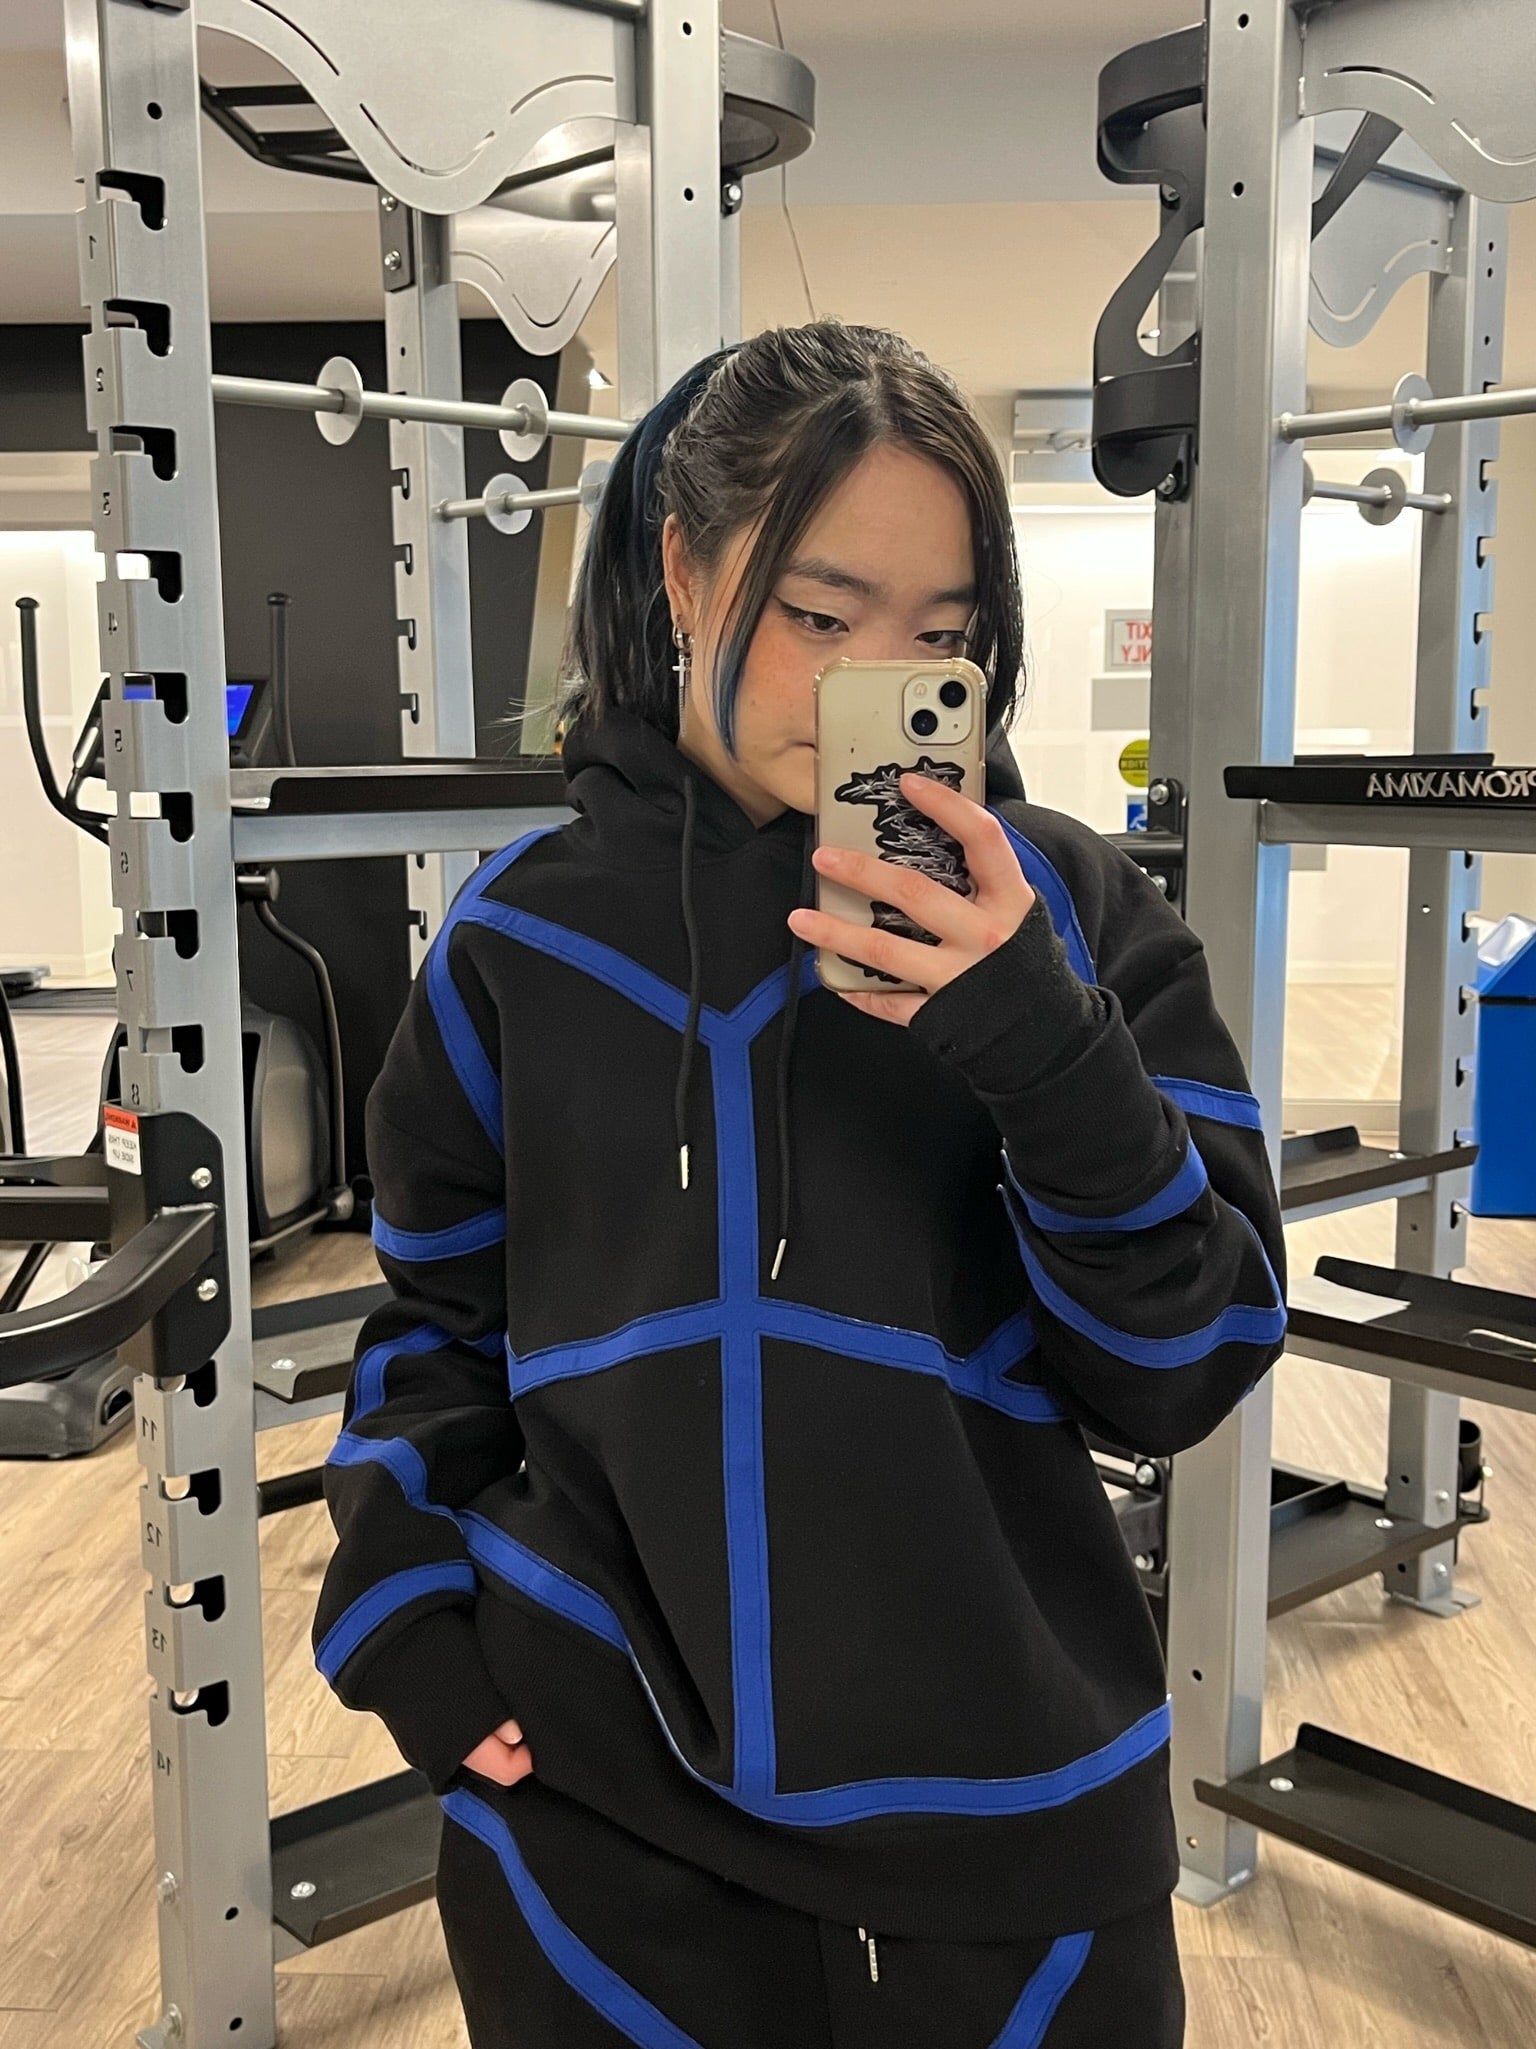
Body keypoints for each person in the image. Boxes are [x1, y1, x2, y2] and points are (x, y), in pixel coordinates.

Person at [313, 321, 1287, 2049]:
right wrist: (411, 1623)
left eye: (941, 635)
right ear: (684, 574)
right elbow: (433, 1322)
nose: (874, 682)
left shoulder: (1074, 919)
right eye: (823, 617)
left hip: (1022, 1821)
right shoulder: (520, 941)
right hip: (598, 1829)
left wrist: (1037, 1042)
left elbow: (1188, 1364)